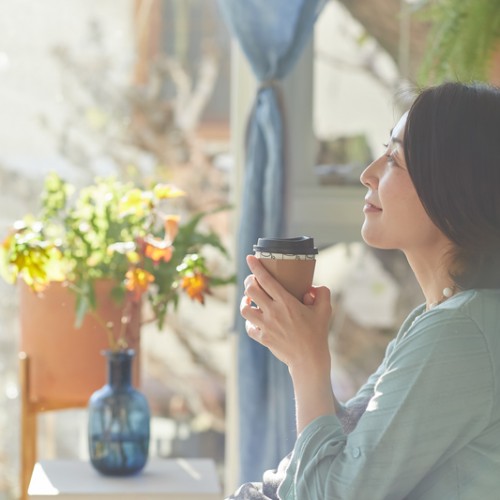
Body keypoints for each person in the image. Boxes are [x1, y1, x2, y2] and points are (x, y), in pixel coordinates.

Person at [229, 81, 500, 499]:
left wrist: (308, 363)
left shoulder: (461, 333)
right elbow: (352, 448)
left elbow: (330, 494)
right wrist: (297, 348)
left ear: (451, 185)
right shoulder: (442, 319)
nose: (367, 173)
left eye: (394, 159)